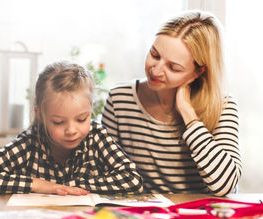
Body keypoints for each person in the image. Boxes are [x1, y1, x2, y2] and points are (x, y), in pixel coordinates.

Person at [101, 10, 242, 196]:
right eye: (155, 54)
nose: (156, 71)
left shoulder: (223, 105)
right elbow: (105, 174)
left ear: (199, 72)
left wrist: (189, 115)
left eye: (173, 67)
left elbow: (225, 185)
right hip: (144, 217)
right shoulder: (120, 99)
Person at [0, 61, 143, 195]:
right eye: (59, 122)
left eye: (81, 119)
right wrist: (37, 184)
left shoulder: (96, 136)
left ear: (90, 109)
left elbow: (132, 179)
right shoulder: (30, 142)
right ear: (40, 115)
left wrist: (66, 186)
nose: (71, 130)